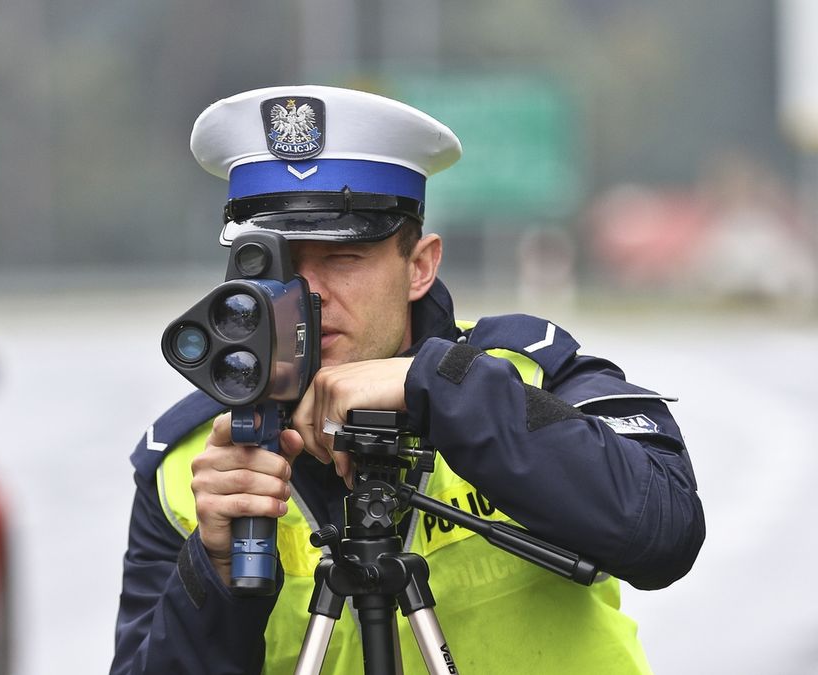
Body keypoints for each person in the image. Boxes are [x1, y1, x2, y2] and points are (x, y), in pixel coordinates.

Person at [110, 85, 705, 675]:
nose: (308, 294)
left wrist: (440, 386)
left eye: (343, 259)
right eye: (282, 265)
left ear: (419, 265)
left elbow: (666, 532)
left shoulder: (529, 375)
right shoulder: (187, 463)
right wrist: (213, 567)